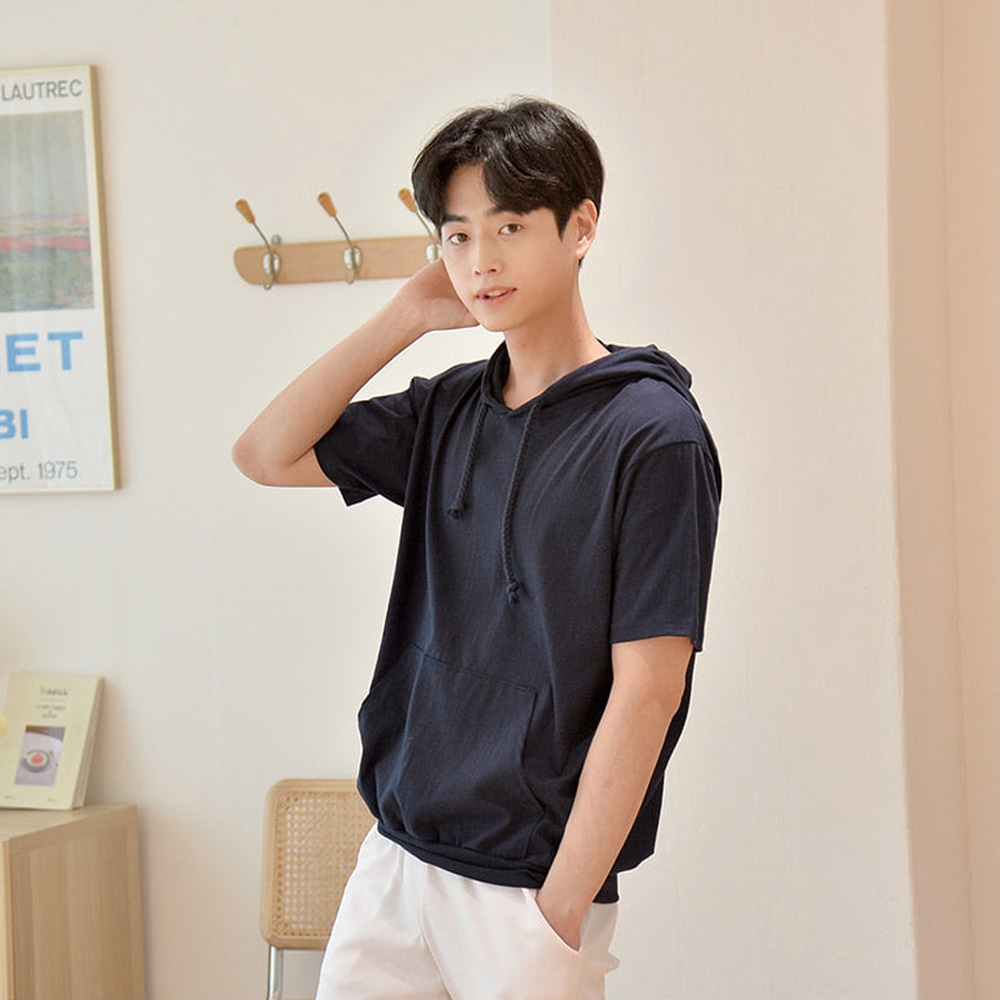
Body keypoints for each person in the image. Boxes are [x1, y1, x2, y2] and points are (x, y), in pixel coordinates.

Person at [233, 97, 721, 1000]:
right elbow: (264, 454)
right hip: (396, 860)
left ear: (582, 227)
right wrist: (403, 318)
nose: (480, 260)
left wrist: (559, 910)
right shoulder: (448, 407)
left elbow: (651, 687)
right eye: (456, 235)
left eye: (510, 227)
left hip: (526, 889)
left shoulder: (653, 434)